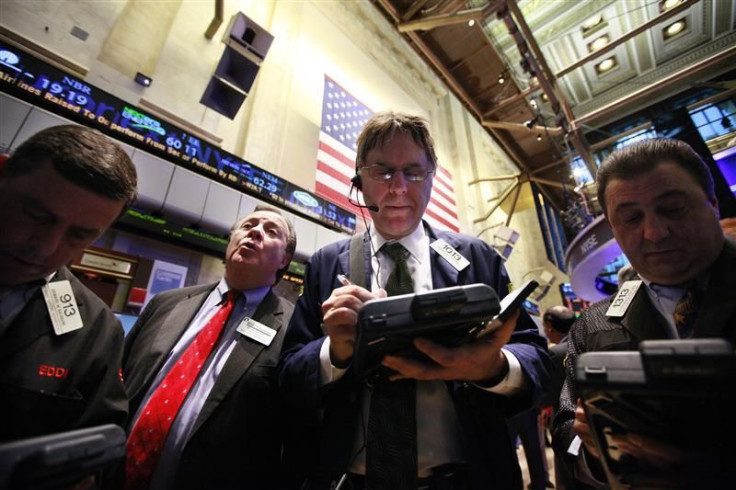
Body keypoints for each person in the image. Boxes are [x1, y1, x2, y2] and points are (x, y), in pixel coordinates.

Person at [279, 111, 550, 490]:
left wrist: (490, 367)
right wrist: (335, 352)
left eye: (413, 172)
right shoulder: (327, 263)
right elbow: (288, 375)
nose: (398, 188)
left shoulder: (477, 256)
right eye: (382, 171)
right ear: (359, 178)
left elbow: (536, 359)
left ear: (432, 177)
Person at [552, 138, 736, 487]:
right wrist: (595, 452)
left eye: (672, 209)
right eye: (631, 218)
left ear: (712, 203)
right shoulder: (592, 325)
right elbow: (564, 428)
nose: (654, 232)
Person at [122, 206, 299, 490]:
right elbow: (119, 382)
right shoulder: (166, 303)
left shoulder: (295, 329)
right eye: (248, 225)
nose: (254, 231)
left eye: (270, 231)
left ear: (284, 259)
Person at [0, 124, 137, 442]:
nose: (47, 248)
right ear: (3, 173)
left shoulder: (98, 328)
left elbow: (97, 444)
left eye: (79, 235)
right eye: (37, 215)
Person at [540, 306, 576, 490]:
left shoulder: (556, 353)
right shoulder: (590, 340)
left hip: (565, 425)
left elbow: (548, 394)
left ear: (549, 328)